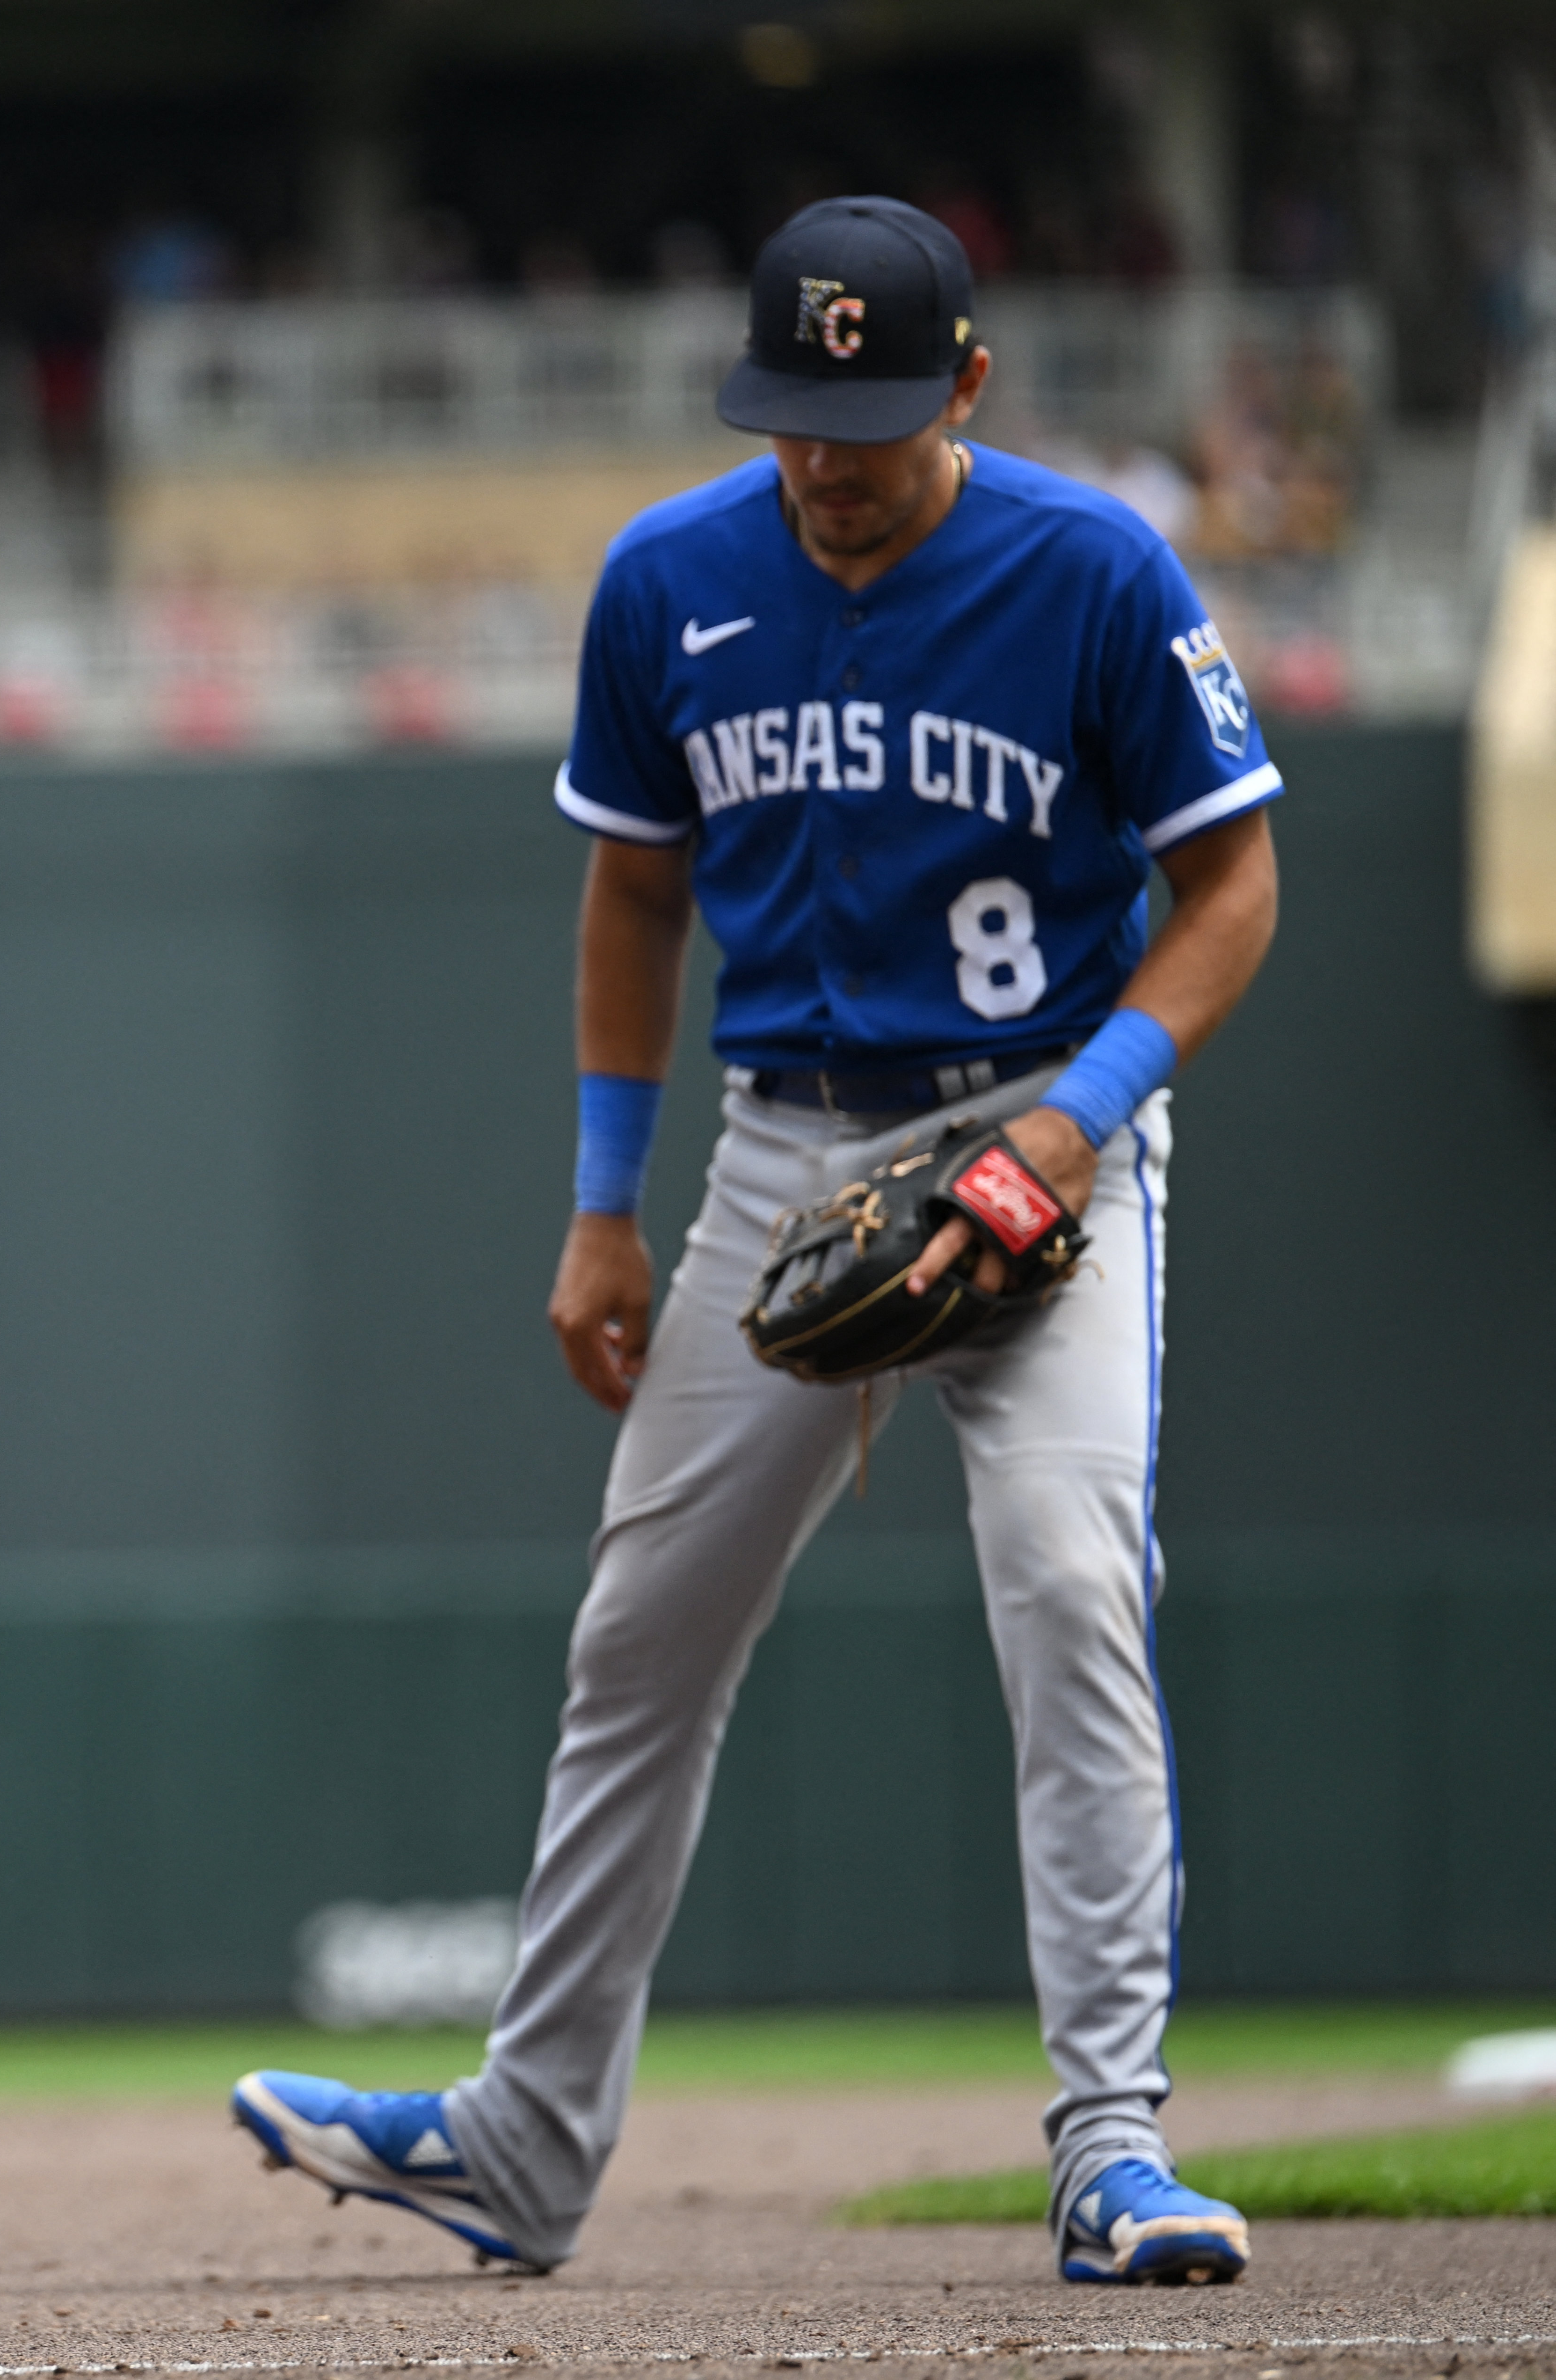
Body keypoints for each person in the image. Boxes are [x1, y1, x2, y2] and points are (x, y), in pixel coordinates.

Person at [233, 198, 1282, 2289]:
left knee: (1068, 1583)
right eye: (797, 418)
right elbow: (630, 897)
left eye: (873, 422)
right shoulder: (668, 578)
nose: (828, 462)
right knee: (638, 1644)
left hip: (1034, 1145)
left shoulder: (1087, 574)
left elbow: (1232, 887)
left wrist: (1071, 1132)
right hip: (778, 1158)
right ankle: (519, 2146)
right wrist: (598, 1205)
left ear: (963, 388)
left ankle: (1110, 2143)